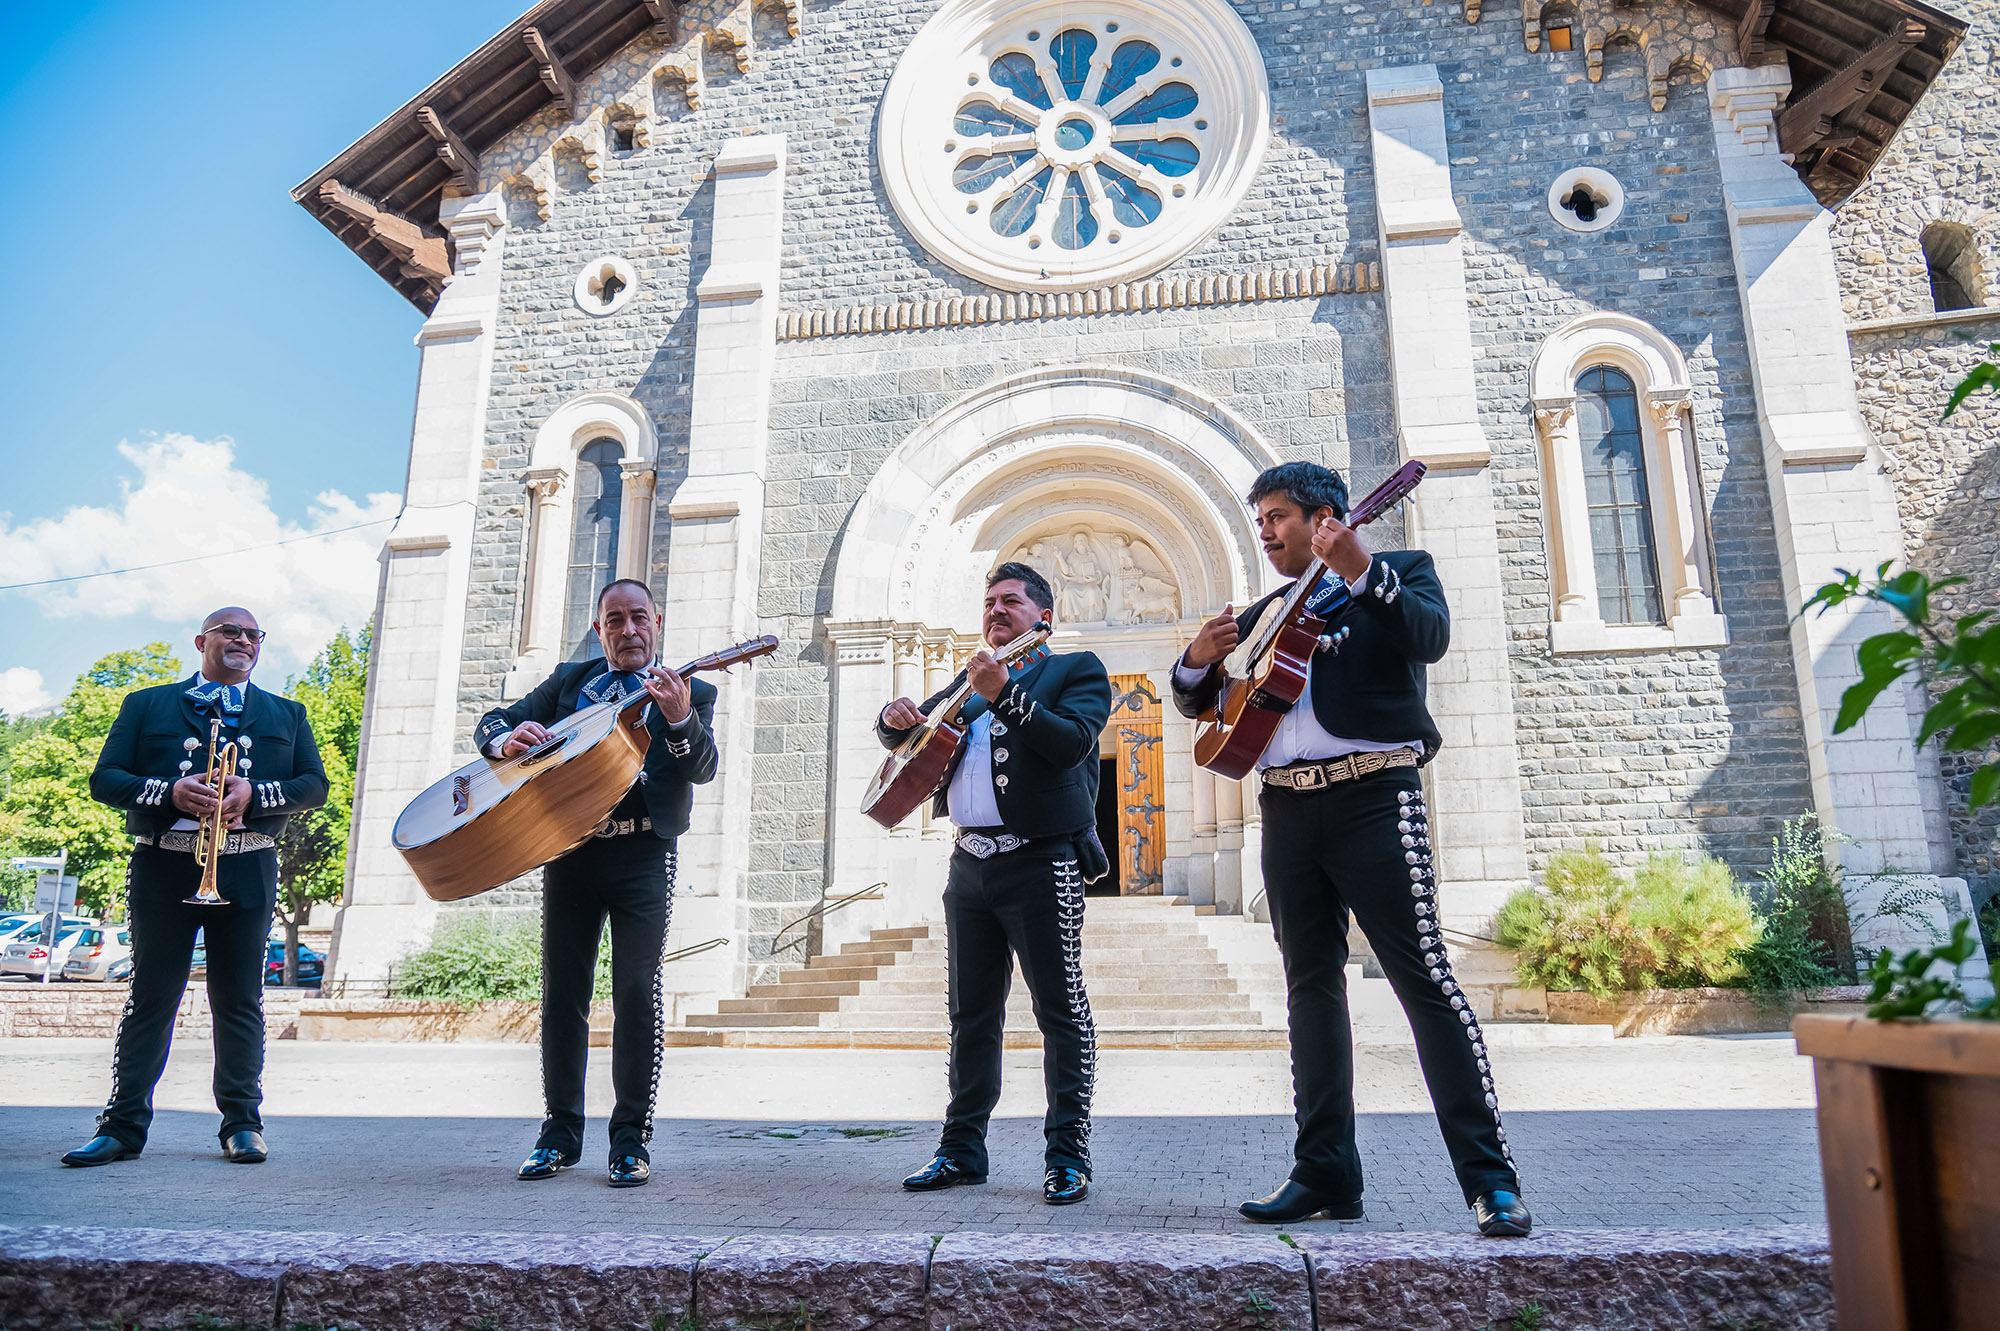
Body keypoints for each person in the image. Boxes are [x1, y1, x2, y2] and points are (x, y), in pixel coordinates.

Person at [1170, 462, 1532, 1238]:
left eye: (1277, 516)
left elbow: (1429, 638)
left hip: (1374, 796)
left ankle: (1491, 1181)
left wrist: (1363, 572)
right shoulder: (1266, 612)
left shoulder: (1400, 571)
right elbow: (1202, 698)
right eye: (1260, 520)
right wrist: (1196, 658)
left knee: (1424, 979)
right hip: (1285, 809)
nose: (1265, 531)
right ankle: (1326, 1172)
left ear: (1325, 517)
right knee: (1309, 988)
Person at [879, 562, 1112, 1205]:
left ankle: (1067, 1156)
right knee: (971, 1014)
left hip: (1042, 860)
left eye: (1011, 601)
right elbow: (912, 737)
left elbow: (1071, 744)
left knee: (1060, 1008)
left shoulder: (1076, 670)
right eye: (989, 602)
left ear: (1044, 616)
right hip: (969, 865)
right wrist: (893, 720)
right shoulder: (966, 684)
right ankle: (961, 1151)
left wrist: (1006, 693)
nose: (996, 610)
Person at [474, 578, 718, 1188]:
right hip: (570, 851)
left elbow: (704, 767)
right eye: (615, 620)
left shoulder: (691, 691)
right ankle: (558, 1136)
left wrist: (679, 718)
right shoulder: (569, 681)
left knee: (636, 990)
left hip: (645, 852)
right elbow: (493, 721)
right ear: (599, 629)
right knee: (563, 994)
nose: (628, 630)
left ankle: (630, 1140)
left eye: (639, 617)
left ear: (657, 622)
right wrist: (505, 741)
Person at [64, 607, 328, 1167]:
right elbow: (105, 779)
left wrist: (255, 795)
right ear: (200, 641)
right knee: (152, 996)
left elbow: (314, 785)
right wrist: (168, 792)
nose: (244, 640)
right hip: (165, 862)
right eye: (230, 631)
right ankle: (122, 1127)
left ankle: (242, 1124)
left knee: (240, 998)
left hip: (247, 863)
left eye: (253, 634)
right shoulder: (146, 703)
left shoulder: (288, 712)